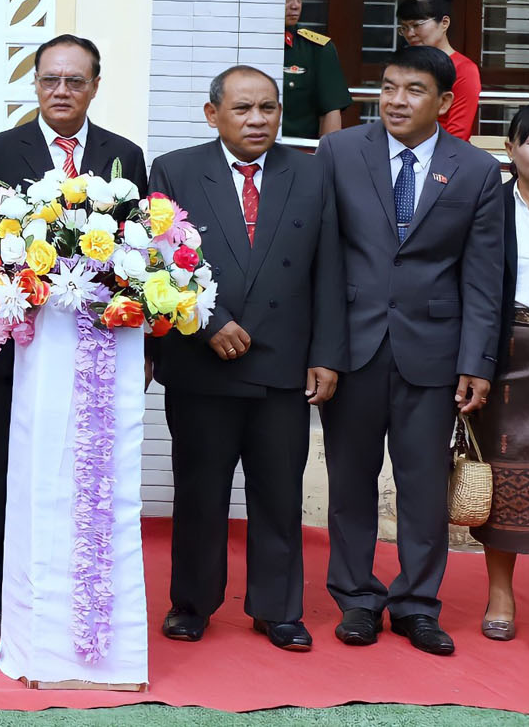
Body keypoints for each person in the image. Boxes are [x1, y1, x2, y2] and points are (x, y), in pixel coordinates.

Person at [0, 34, 146, 638]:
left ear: (95, 87)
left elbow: (143, 257)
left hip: (98, 348)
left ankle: (79, 578)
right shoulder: (0, 150)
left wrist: (148, 348)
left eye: (74, 80)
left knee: (87, 464)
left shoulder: (124, 155)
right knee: (7, 464)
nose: (61, 90)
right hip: (16, 343)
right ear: (34, 84)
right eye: (50, 79)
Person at [148, 66, 346, 653]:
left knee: (279, 493)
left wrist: (327, 354)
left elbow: (330, 268)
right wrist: (205, 324)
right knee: (200, 493)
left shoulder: (311, 172)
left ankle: (278, 608)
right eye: (243, 109)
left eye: (268, 107)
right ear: (214, 115)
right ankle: (192, 603)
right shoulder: (176, 170)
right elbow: (156, 263)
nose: (257, 120)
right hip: (203, 362)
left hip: (285, 364)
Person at [317, 44, 505, 655]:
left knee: (424, 488)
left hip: (435, 351)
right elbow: (322, 260)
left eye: (414, 90)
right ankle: (357, 599)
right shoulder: (341, 152)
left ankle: (418, 604)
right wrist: (320, 347)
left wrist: (477, 360)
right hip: (353, 347)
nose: (396, 101)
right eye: (389, 87)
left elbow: (483, 276)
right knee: (350, 481)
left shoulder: (475, 170)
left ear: (445, 102)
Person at [470, 104, 529, 641]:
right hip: (508, 347)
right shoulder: (494, 204)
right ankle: (500, 594)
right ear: (510, 150)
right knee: (505, 473)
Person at [397, 0, 479, 141]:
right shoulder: (405, 65)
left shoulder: (464, 69)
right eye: (405, 27)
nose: (410, 33)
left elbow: (458, 133)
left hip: (442, 156)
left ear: (444, 23)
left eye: (416, 25)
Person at [281, 0, 350, 141]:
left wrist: (325, 162)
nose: (295, 6)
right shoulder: (245, 43)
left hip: (298, 153)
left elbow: (331, 110)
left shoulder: (317, 48)